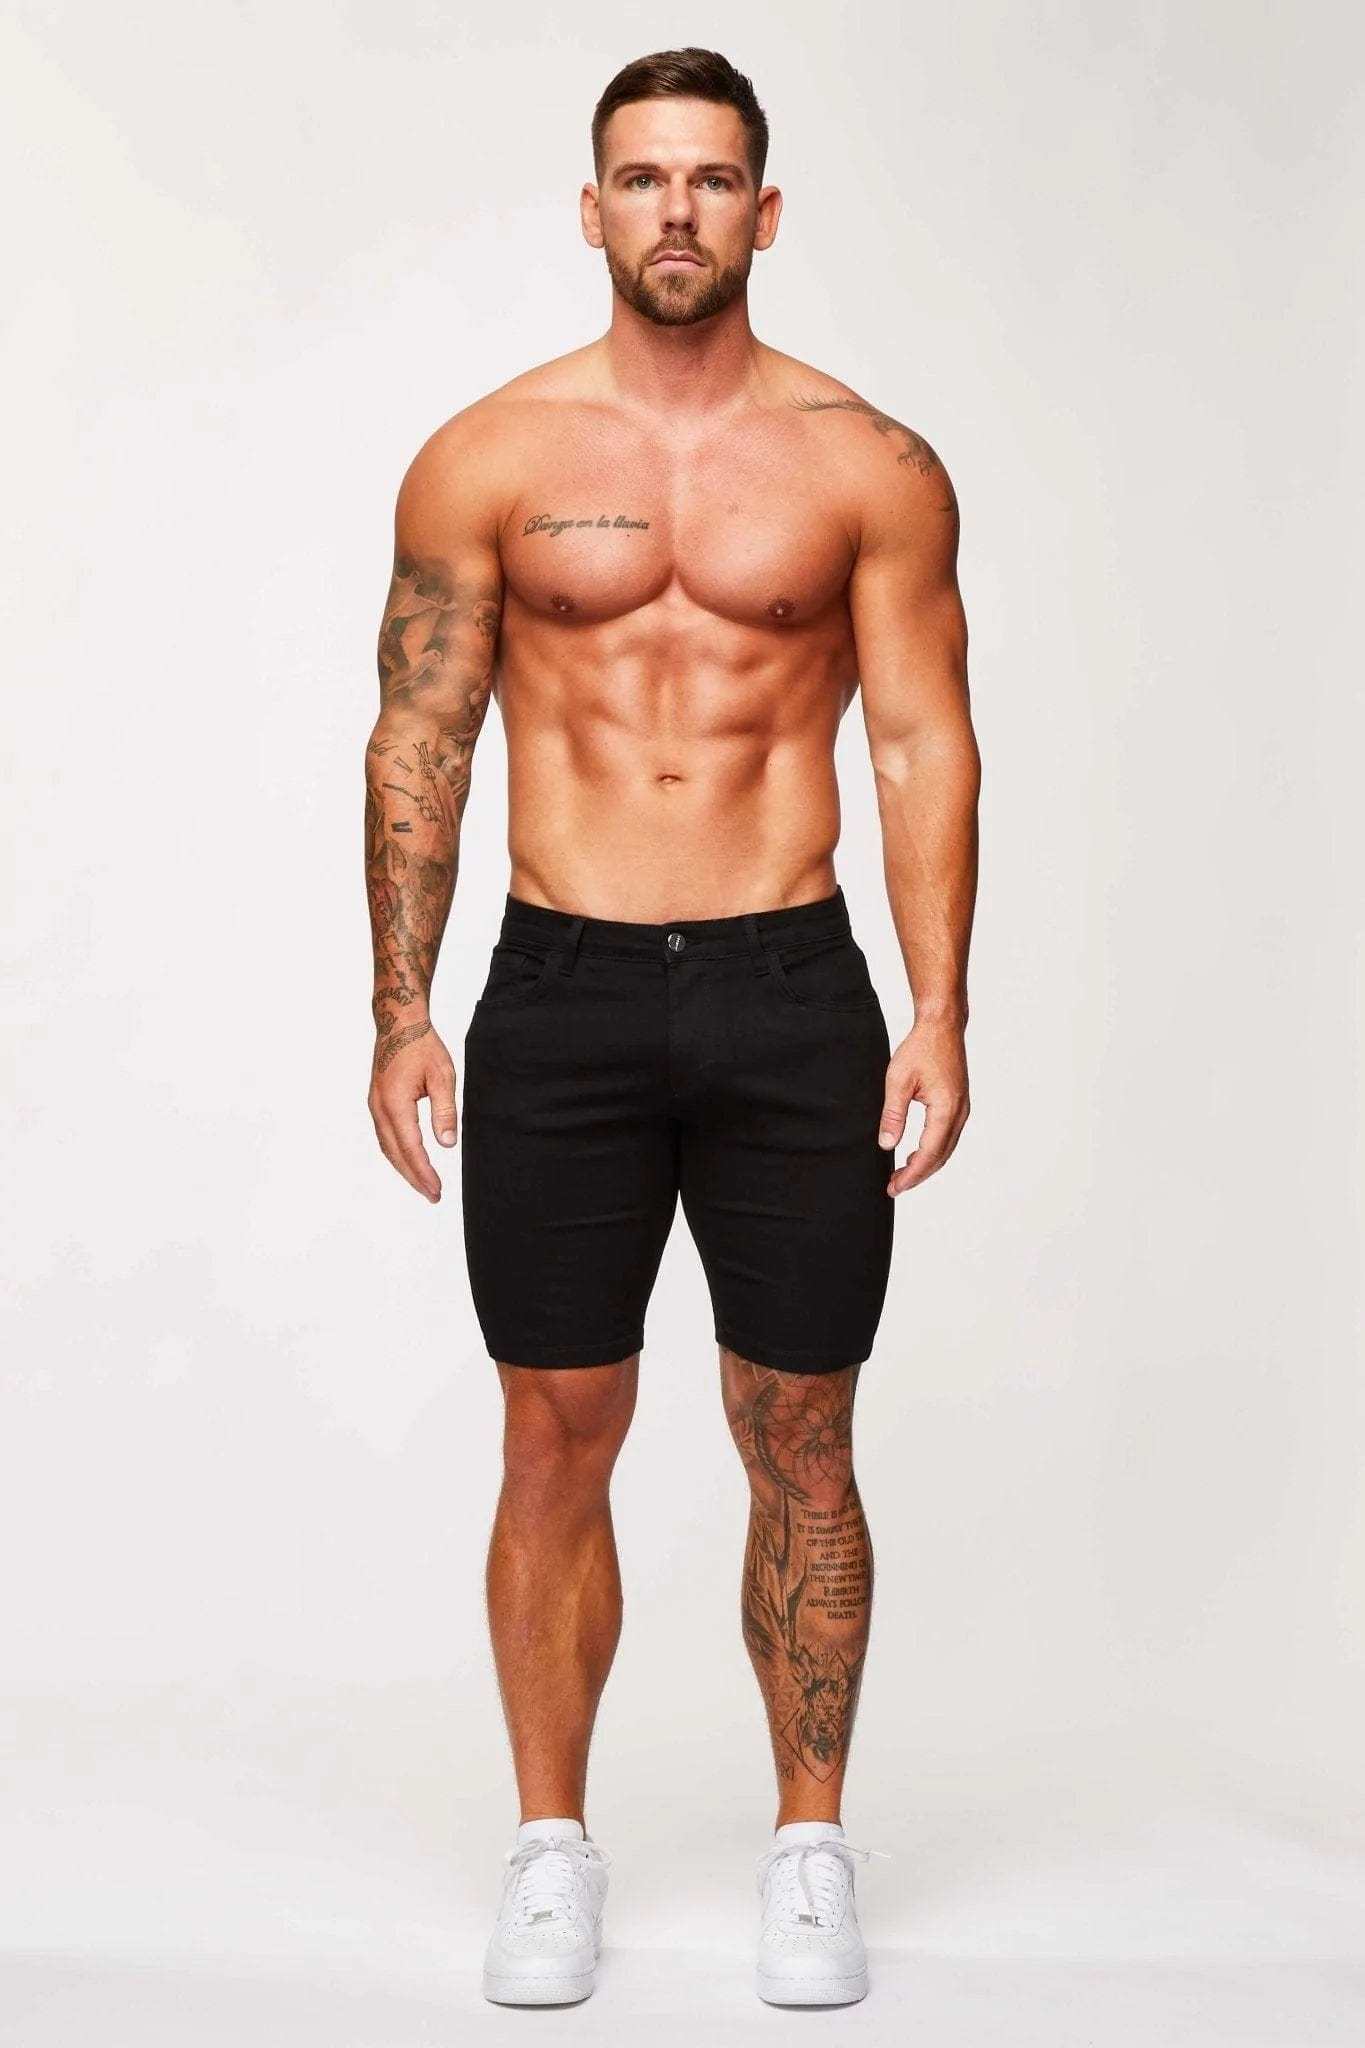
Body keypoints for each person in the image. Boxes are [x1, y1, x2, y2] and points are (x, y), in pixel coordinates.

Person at [363, 45, 980, 2010]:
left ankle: (808, 1847)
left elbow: (919, 742)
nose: (677, 210)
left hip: (791, 988)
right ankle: (551, 1850)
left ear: (763, 212)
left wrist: (939, 1006)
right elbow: (420, 735)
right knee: (556, 1428)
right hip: (561, 986)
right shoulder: (485, 459)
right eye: (641, 178)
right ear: (590, 208)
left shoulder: (866, 466)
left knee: (799, 1425)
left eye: (710, 179)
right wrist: (400, 1005)